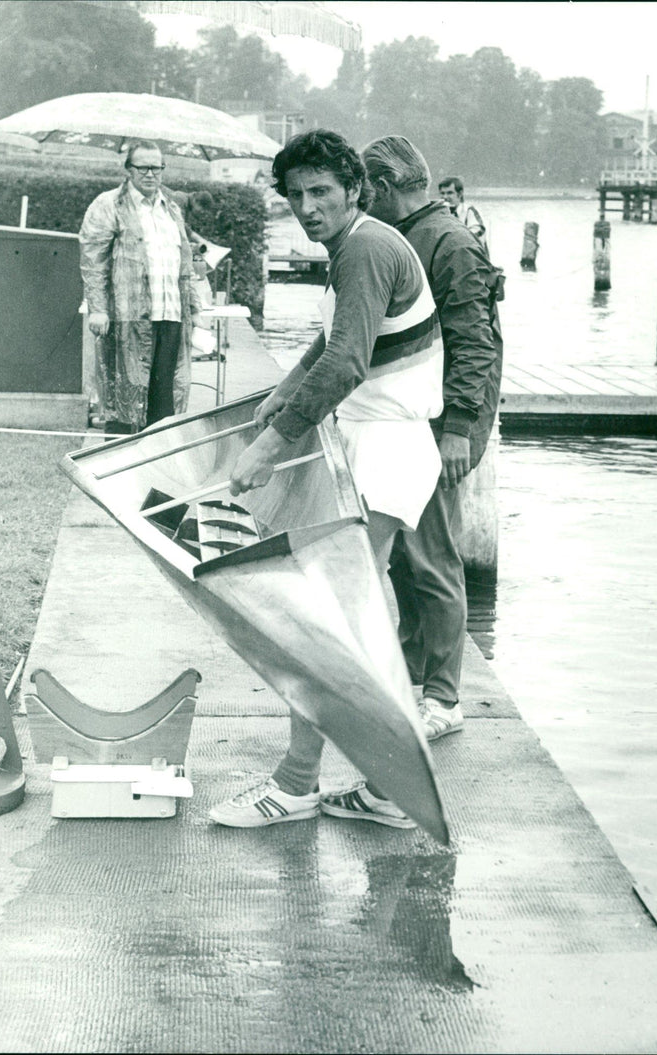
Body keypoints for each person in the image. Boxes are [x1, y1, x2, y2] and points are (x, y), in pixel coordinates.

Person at [209, 129, 445, 831]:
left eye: (322, 192)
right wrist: (286, 386)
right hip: (375, 441)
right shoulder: (357, 243)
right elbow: (337, 338)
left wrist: (265, 449)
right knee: (350, 621)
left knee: (322, 622)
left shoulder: (367, 247)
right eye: (296, 195)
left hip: (386, 447)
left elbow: (346, 366)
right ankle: (381, 786)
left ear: (353, 190)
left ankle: (297, 783)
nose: (308, 207)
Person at [363, 136, 503, 741]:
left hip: (440, 423)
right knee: (404, 551)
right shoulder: (416, 236)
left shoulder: (449, 243)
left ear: (385, 187)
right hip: (411, 417)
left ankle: (445, 697)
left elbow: (477, 346)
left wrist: (458, 432)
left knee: (433, 555)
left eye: (364, 191)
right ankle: (414, 663)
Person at [79, 140, 202, 434]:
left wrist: (194, 309)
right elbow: (92, 261)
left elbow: (184, 264)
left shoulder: (171, 209)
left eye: (157, 168)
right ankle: (118, 474)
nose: (151, 174)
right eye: (143, 167)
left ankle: (157, 473)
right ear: (128, 169)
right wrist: (98, 309)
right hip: (127, 319)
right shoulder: (108, 205)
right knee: (125, 403)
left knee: (164, 409)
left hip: (171, 318)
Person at [438, 176, 488, 252]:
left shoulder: (469, 211)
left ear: (460, 193)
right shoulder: (439, 213)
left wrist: (455, 238)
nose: (445, 197)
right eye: (442, 193)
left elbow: (478, 230)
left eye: (450, 193)